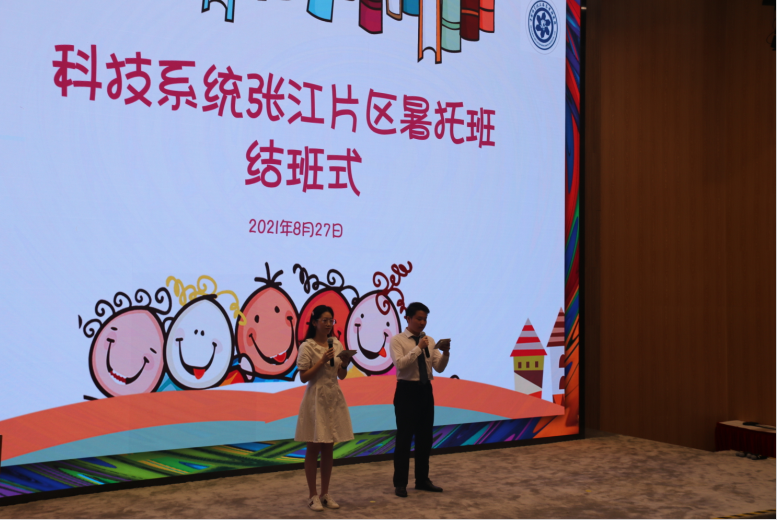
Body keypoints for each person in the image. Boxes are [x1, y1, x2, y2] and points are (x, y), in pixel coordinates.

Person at [294, 305, 354, 511]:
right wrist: (321, 361)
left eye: (331, 320)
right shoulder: (307, 346)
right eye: (325, 320)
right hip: (315, 399)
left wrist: (344, 363)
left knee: (329, 446)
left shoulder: (336, 343)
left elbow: (341, 375)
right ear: (314, 322)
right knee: (313, 447)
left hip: (333, 397)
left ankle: (325, 493)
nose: (329, 324)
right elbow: (304, 377)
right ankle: (313, 495)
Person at [389, 302, 451, 498]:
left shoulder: (429, 340)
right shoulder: (397, 340)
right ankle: (400, 483)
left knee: (425, 438)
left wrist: (446, 353)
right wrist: (418, 348)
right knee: (404, 438)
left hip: (425, 390)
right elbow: (400, 365)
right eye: (419, 318)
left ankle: (422, 480)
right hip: (406, 391)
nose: (422, 323)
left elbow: (438, 367)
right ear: (408, 318)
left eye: (425, 319)